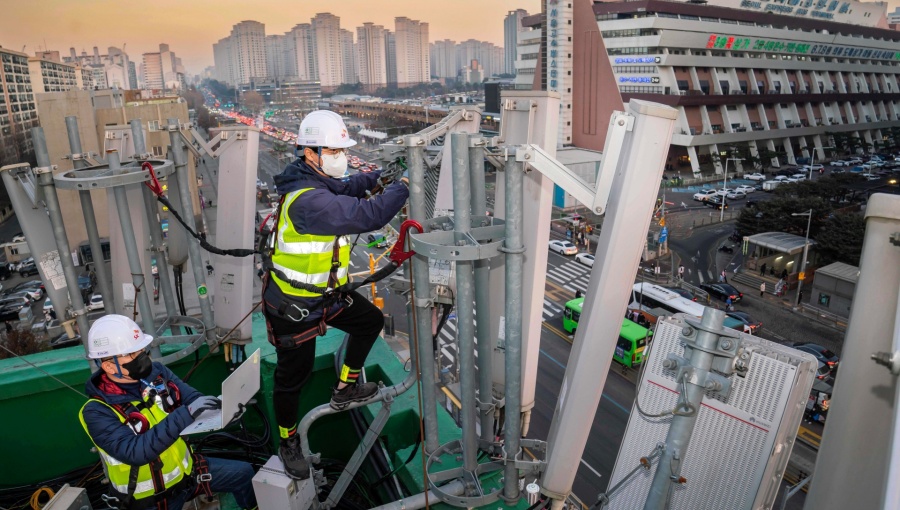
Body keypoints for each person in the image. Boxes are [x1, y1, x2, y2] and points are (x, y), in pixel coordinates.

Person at [262, 111, 409, 480]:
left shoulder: (316, 181)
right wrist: (405, 185)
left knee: (369, 321)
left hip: (326, 297)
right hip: (294, 307)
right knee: (292, 379)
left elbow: (352, 186)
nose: (340, 157)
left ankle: (345, 388)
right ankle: (288, 441)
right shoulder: (308, 201)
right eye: (333, 150)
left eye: (342, 150)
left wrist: (382, 177)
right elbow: (369, 214)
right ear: (310, 153)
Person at [78, 315, 257, 509]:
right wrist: (185, 414)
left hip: (188, 475)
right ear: (109, 366)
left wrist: (225, 412)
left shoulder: (157, 373)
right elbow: (135, 452)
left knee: (243, 474)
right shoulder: (96, 411)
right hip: (150, 501)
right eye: (132, 354)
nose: (142, 356)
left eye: (141, 349)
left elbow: (193, 400)